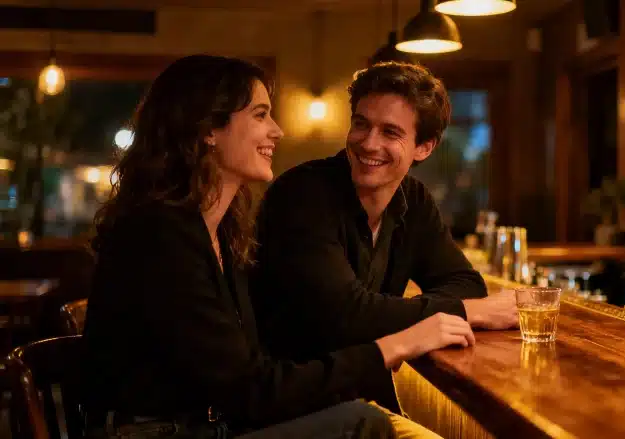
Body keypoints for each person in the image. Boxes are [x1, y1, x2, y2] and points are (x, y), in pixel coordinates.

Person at [82, 55, 475, 439]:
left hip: (216, 423)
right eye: (260, 114)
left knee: (372, 419)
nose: (277, 131)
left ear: (424, 146)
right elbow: (253, 389)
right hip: (164, 432)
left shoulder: (218, 230)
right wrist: (401, 343)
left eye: (390, 132)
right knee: (366, 424)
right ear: (208, 129)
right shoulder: (160, 237)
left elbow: (248, 381)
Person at [252, 62, 519, 420]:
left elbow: (465, 283)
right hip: (290, 409)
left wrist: (392, 314)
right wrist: (468, 312)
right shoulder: (303, 194)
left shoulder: (415, 199)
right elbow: (345, 315)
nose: (368, 142)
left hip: (361, 401)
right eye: (361, 123)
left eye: (390, 132)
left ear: (423, 147)